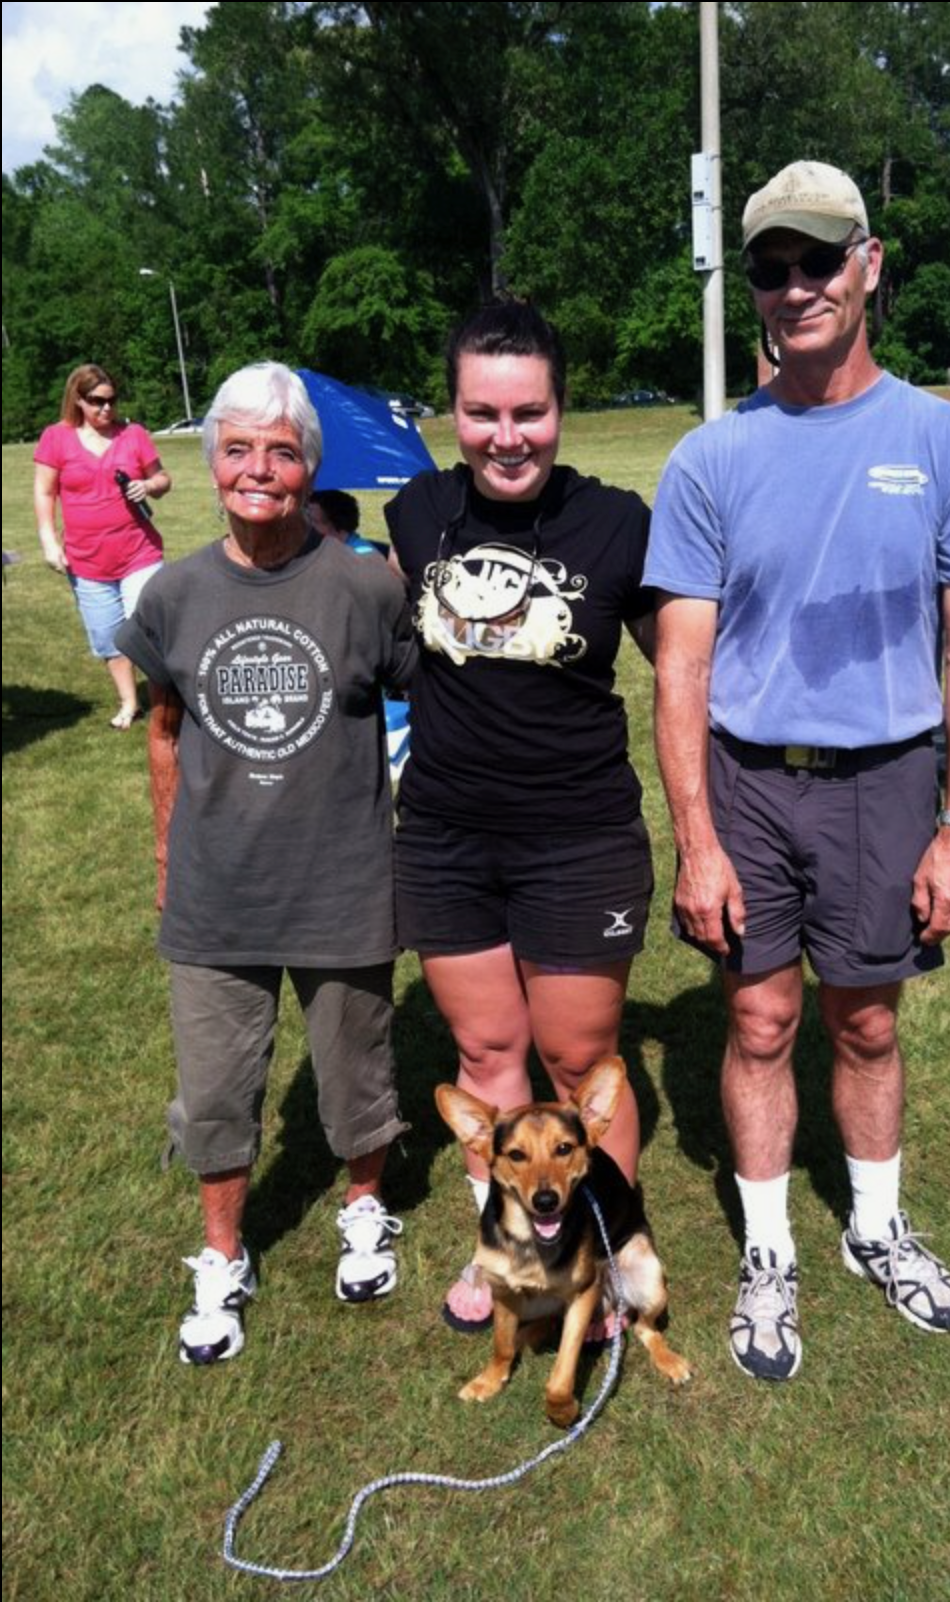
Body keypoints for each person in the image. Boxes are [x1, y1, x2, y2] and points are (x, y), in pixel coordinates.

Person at [644, 160, 950, 1382]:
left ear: (870, 263)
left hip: (887, 779)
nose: (797, 286)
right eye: (773, 267)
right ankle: (769, 1255)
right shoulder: (710, 458)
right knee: (759, 1019)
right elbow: (680, 674)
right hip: (748, 778)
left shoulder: (948, 441)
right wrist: (697, 841)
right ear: (751, 288)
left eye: (820, 259)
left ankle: (876, 1227)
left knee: (864, 1022)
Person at [115, 362, 414, 1365]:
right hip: (217, 890)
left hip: (343, 880)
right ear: (211, 465)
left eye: (281, 453)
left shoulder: (368, 586)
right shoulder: (174, 592)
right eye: (238, 449)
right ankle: (222, 1254)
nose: (259, 470)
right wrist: (167, 850)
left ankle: (365, 1208)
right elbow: (163, 729)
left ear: (308, 469)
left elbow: (430, 701)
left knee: (356, 1074)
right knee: (214, 1089)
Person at [383, 300, 655, 1334]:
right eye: (483, 412)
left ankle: (608, 1254)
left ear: (561, 408)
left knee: (580, 1068)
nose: (508, 437)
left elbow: (690, 659)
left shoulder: (619, 523)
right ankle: (504, 1253)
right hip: (447, 837)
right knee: (489, 1063)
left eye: (529, 412)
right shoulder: (418, 513)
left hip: (578, 840)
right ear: (452, 411)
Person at [34, 365, 171, 728]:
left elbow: (163, 477)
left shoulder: (134, 434)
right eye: (97, 402)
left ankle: (167, 699)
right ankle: (130, 703)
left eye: (112, 400)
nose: (107, 409)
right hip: (86, 560)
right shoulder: (56, 438)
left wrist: (150, 485)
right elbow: (45, 492)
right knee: (108, 637)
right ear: (78, 399)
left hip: (139, 551)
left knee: (149, 627)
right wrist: (49, 541)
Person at [309, 488, 410, 781]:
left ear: (338, 528)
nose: (305, 526)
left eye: (314, 521)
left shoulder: (362, 564)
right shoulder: (334, 554)